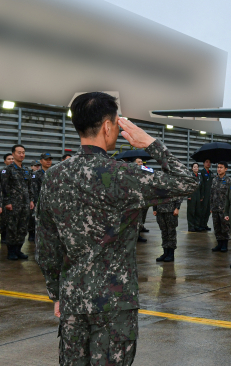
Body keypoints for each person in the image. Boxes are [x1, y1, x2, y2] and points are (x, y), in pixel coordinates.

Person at [35, 92, 197, 365]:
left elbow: (46, 246)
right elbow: (187, 182)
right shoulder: (122, 175)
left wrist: (57, 294)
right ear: (108, 126)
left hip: (73, 300)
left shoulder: (53, 176)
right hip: (114, 305)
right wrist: (151, 144)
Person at [1, 144, 34, 260]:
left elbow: (30, 187)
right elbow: (5, 188)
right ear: (13, 154)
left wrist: (31, 200)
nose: (21, 155)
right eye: (19, 152)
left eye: (23, 152)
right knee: (12, 228)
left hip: (25, 205)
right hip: (13, 205)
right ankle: (11, 251)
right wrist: (7, 202)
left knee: (23, 228)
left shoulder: (26, 170)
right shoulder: (7, 170)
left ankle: (18, 250)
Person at [29, 153, 53, 242]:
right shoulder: (36, 174)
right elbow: (34, 191)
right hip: (40, 203)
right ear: (41, 161)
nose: (48, 161)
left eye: (50, 159)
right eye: (46, 159)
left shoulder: (54, 172)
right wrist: (36, 204)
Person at [210, 162, 231, 252]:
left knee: (225, 227)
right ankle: (219, 243)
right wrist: (211, 206)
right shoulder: (214, 180)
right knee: (216, 226)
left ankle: (225, 244)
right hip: (215, 208)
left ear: (226, 169)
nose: (219, 169)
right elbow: (211, 194)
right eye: (218, 167)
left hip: (224, 209)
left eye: (221, 167)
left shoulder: (229, 181)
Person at [153, 197, 181, 262]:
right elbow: (154, 194)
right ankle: (165, 253)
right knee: (164, 231)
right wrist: (154, 208)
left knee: (171, 232)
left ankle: (171, 254)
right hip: (160, 210)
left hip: (171, 209)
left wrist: (177, 207)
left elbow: (178, 194)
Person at [134, 157, 149, 242]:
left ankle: (141, 227)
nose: (141, 163)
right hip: (136, 198)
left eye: (141, 162)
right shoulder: (132, 172)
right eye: (139, 162)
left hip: (145, 196)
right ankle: (137, 235)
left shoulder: (145, 170)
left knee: (143, 214)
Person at [187, 163, 203, 232]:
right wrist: (189, 195)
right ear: (192, 168)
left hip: (198, 195)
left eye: (197, 167)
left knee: (198, 212)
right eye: (194, 167)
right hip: (192, 195)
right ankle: (191, 227)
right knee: (191, 212)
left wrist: (201, 196)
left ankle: (197, 226)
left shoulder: (200, 176)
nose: (196, 168)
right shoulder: (190, 176)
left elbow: (202, 186)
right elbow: (187, 186)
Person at [0, 153, 12, 245]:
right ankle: (3, 236)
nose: (11, 160)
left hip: (15, 200)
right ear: (5, 161)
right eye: (9, 159)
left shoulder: (17, 171)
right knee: (4, 220)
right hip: (4, 200)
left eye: (12, 158)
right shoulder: (3, 171)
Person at [199, 159, 214, 231]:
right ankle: (201, 225)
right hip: (204, 195)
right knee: (203, 210)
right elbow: (200, 184)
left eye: (209, 162)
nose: (208, 164)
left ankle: (205, 224)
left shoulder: (211, 173)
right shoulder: (201, 172)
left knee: (208, 210)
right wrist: (201, 195)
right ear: (203, 163)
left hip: (210, 195)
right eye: (207, 162)